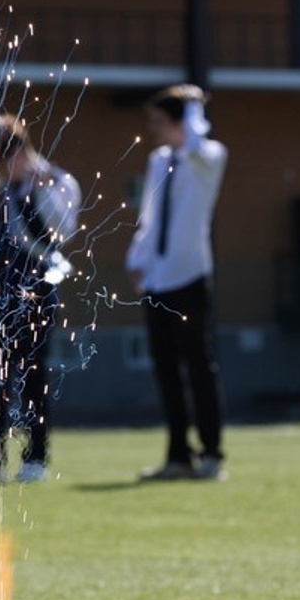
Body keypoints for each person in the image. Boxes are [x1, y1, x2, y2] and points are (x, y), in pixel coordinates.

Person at [0, 112, 81, 486]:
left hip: (38, 286)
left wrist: (40, 190)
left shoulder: (58, 182)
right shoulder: (7, 180)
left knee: (32, 375)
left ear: (22, 152)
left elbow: (64, 231)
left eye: (4, 159)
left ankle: (35, 459)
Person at [126, 84, 228, 481]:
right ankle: (178, 456)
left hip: (190, 275)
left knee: (200, 368)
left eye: (159, 120)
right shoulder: (159, 160)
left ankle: (212, 453)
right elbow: (150, 215)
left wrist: (193, 110)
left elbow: (198, 147)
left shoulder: (208, 155)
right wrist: (138, 260)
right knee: (166, 371)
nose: (153, 129)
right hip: (158, 277)